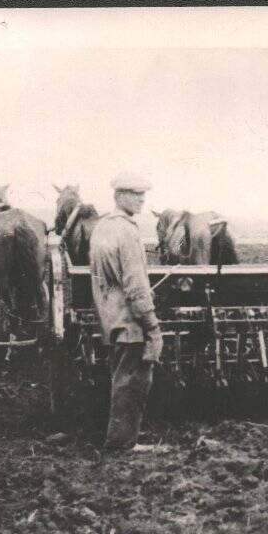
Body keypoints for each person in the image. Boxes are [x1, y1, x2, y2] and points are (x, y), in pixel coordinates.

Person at [89, 172, 165, 453]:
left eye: (143, 194)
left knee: (121, 379)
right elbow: (135, 286)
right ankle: (122, 444)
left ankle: (121, 440)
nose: (142, 199)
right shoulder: (127, 231)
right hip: (131, 320)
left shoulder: (102, 228)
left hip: (110, 318)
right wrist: (153, 325)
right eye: (135, 194)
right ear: (119, 196)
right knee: (133, 383)